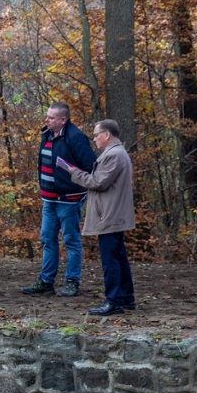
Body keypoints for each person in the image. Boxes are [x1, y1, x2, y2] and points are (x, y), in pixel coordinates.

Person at [57, 119, 136, 316]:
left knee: (111, 260)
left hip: (109, 215)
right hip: (112, 213)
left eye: (96, 135)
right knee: (118, 258)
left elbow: (99, 182)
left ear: (107, 135)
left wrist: (74, 173)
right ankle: (126, 298)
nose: (94, 139)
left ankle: (114, 301)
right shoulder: (115, 153)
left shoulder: (114, 155)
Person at [21, 102, 98, 298]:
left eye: (51, 118)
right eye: (47, 116)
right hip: (49, 199)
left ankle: (72, 282)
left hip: (69, 200)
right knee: (47, 239)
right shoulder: (47, 134)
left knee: (71, 241)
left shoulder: (75, 137)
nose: (47, 120)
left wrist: (72, 180)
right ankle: (46, 281)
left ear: (63, 119)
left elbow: (91, 167)